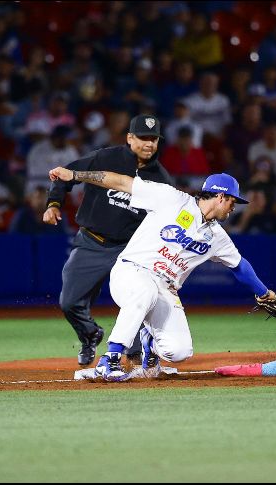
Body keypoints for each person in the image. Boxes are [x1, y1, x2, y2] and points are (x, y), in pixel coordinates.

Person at [47, 166, 276, 381]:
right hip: (132, 272)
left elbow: (239, 266)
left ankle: (149, 346)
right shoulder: (171, 198)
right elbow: (120, 182)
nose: (234, 207)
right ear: (221, 196)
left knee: (179, 351)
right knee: (145, 291)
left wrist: (264, 293)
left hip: (165, 288)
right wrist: (75, 175)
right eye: (233, 201)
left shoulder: (217, 236)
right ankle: (109, 360)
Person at [42, 115, 175, 367]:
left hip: (129, 251)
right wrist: (54, 203)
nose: (149, 144)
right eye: (143, 138)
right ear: (129, 138)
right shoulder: (106, 158)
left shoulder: (161, 178)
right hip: (91, 242)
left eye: (154, 139)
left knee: (137, 299)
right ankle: (90, 334)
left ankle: (136, 350)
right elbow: (65, 175)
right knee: (69, 302)